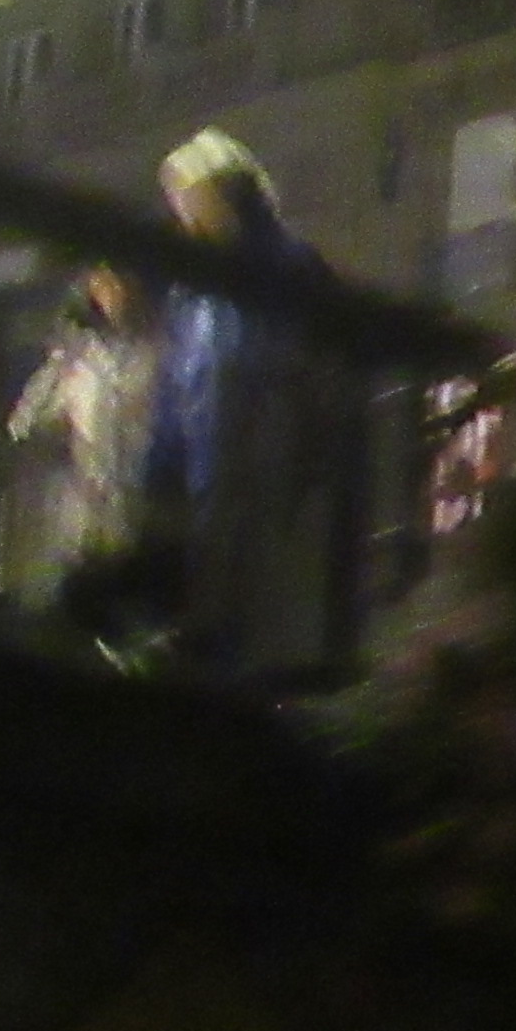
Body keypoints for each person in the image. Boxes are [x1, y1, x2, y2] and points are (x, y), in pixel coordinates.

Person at [150, 129, 361, 680]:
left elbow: (324, 371)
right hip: (212, 469)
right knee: (217, 586)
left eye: (190, 200)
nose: (184, 216)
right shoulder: (192, 290)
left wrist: (309, 446)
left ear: (226, 195)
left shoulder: (289, 268)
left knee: (267, 599)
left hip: (276, 466)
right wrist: (163, 466)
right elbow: (176, 383)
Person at [1, 263, 166, 633]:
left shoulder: (158, 353)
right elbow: (24, 425)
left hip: (138, 515)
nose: (115, 294)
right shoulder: (79, 359)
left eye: (121, 282)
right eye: (104, 284)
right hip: (82, 512)